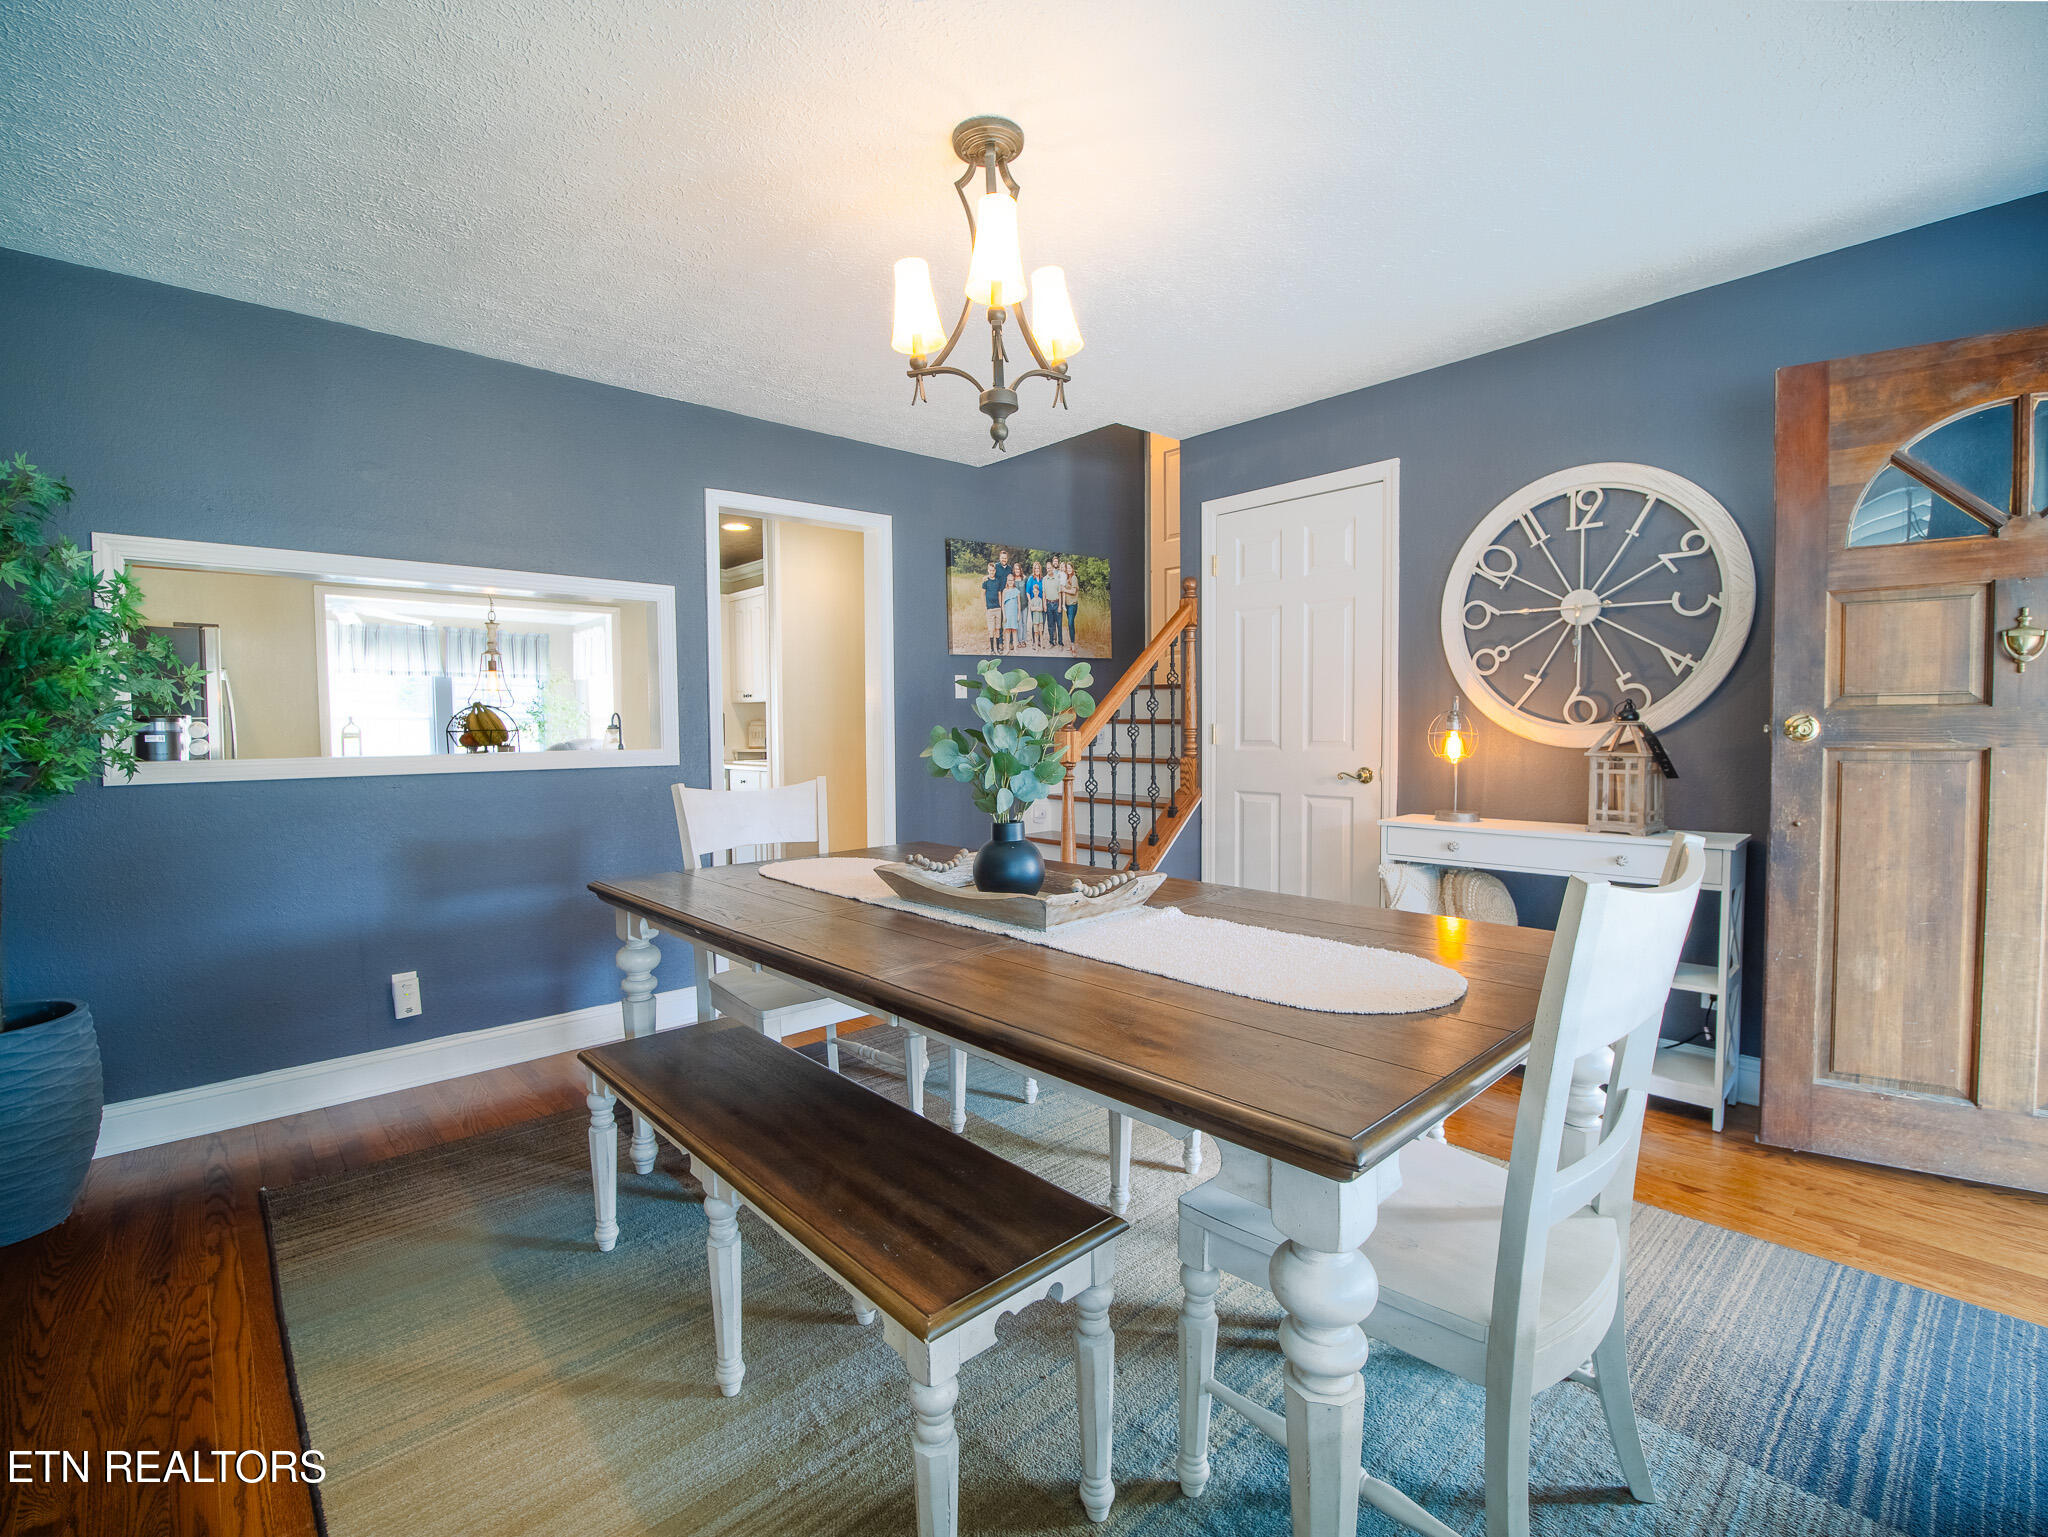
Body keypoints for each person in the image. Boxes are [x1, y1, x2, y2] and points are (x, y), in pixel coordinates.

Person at [981, 560, 1005, 652]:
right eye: (990, 570)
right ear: (988, 570)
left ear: (995, 571)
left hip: (997, 608)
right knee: (991, 630)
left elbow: (999, 594)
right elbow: (983, 594)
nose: (992, 572)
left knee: (997, 628)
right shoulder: (986, 581)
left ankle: (998, 648)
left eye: (993, 570)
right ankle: (992, 649)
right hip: (990, 609)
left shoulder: (997, 581)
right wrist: (985, 606)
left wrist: (1000, 605)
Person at [1001, 564, 1022, 652]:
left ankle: (1016, 648)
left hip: (1014, 614)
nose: (1010, 582)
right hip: (1007, 614)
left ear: (1014, 581)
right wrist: (1004, 615)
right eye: (1009, 580)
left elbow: (1019, 604)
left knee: (1014, 631)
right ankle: (1006, 649)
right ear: (1007, 581)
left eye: (1012, 580)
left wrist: (1018, 615)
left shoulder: (1016, 591)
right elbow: (1002, 604)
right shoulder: (1005, 591)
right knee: (1007, 631)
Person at [1044, 559, 1064, 648]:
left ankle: (1060, 642)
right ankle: (1051, 642)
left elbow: (1059, 593)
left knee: (1059, 624)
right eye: (1047, 568)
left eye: (1050, 568)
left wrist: (1060, 606)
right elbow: (1044, 593)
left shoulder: (1057, 578)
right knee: (1050, 624)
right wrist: (1044, 604)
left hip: (1056, 604)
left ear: (1052, 568)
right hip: (1048, 604)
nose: (1049, 570)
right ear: (1046, 569)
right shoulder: (1044, 579)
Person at [1026, 561, 1046, 649]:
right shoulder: (1031, 578)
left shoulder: (1042, 579)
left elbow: (1044, 591)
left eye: (1038, 568)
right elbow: (1027, 592)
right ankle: (1034, 641)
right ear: (1033, 569)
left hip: (1041, 603)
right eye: (1035, 568)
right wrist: (1030, 603)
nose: (1037, 570)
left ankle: (1040, 642)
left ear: (1040, 569)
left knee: (1042, 622)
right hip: (1034, 603)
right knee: (1035, 622)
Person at [1064, 560, 1081, 653]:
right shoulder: (1067, 578)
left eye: (1070, 568)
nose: (1069, 569)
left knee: (1070, 624)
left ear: (1072, 569)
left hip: (1073, 605)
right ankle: (1071, 644)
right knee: (1070, 624)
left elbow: (1073, 591)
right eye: (1067, 568)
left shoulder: (1074, 578)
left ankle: (1073, 645)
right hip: (1067, 605)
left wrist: (1064, 589)